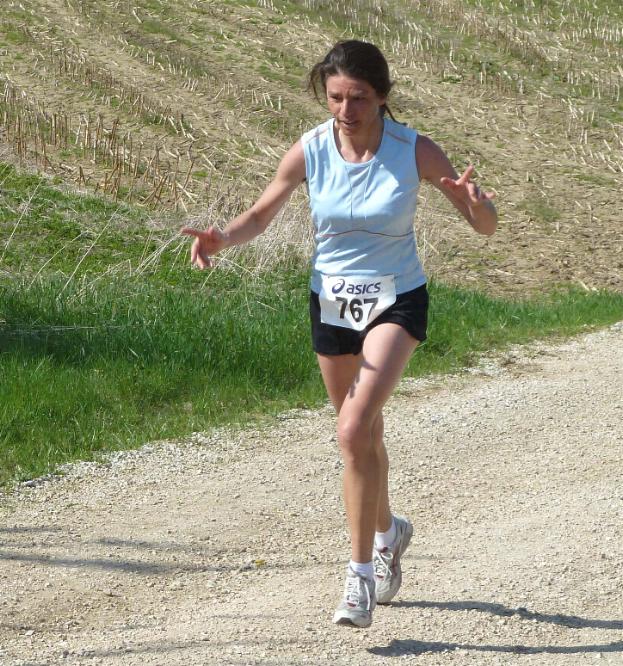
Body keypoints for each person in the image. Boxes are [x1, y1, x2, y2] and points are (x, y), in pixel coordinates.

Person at [183, 40, 497, 629]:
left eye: (359, 99)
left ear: (382, 97)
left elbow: (483, 227)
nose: (346, 110)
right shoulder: (310, 148)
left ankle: (359, 577)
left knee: (351, 428)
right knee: (362, 436)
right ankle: (389, 531)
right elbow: (262, 213)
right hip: (331, 300)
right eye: (335, 98)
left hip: (397, 297)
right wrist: (222, 238)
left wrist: (477, 205)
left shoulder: (413, 149)